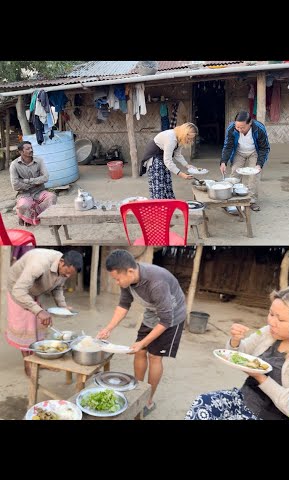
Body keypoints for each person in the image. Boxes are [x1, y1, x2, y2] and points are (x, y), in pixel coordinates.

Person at [97, 249, 186, 417]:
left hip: (172, 317)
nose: (116, 282)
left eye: (117, 278)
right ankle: (138, 389)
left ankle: (148, 400)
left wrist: (143, 342)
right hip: (152, 313)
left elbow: (166, 320)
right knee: (139, 351)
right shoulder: (127, 281)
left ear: (130, 271)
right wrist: (109, 328)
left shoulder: (156, 282)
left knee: (154, 356)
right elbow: (124, 305)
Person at [185, 290, 289, 420]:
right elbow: (241, 354)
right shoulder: (267, 333)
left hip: (268, 415)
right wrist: (236, 341)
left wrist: (260, 377)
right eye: (271, 314)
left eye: (280, 319)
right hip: (243, 398)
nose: (271, 322)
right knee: (203, 403)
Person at [6, 248, 83, 376]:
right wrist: (39, 311)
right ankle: (27, 363)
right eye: (67, 273)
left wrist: (63, 306)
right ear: (62, 262)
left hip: (32, 289)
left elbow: (58, 287)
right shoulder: (38, 264)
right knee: (25, 328)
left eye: (70, 275)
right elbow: (19, 291)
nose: (67, 276)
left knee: (37, 325)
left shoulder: (64, 270)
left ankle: (38, 361)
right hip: (17, 289)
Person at [220, 111, 270, 212]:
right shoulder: (231, 129)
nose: (239, 129)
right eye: (237, 127)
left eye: (242, 127)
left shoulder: (259, 129)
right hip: (239, 152)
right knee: (234, 173)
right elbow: (228, 146)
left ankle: (251, 201)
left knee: (254, 175)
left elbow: (264, 148)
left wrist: (259, 164)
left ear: (250, 123)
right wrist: (223, 161)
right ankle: (234, 200)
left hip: (254, 152)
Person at [141, 122, 198, 199]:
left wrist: (187, 165)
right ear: (184, 134)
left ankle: (169, 205)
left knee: (167, 183)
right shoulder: (171, 138)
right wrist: (181, 174)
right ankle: (159, 207)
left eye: (192, 138)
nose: (190, 140)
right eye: (189, 138)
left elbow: (177, 154)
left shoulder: (179, 138)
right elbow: (168, 161)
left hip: (162, 157)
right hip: (154, 158)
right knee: (159, 187)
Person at [9, 141, 57, 226]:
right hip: (24, 194)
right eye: (28, 149)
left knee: (52, 197)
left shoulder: (39, 161)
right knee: (24, 205)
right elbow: (15, 185)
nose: (31, 150)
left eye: (31, 148)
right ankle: (28, 217)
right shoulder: (14, 165)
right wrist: (36, 182)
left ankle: (33, 215)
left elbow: (45, 177)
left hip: (39, 192)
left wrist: (26, 181)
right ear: (21, 152)